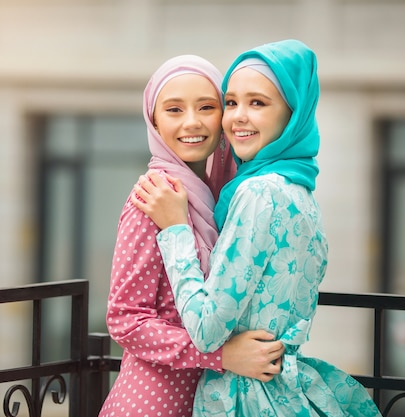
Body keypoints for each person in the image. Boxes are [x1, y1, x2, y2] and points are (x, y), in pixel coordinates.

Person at [132, 40, 383, 416]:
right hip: (285, 387)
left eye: (258, 103)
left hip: (245, 397)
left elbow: (206, 329)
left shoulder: (258, 194)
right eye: (231, 102)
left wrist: (175, 229)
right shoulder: (298, 189)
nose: (237, 118)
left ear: (292, 114)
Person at [99, 54, 285, 417]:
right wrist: (222, 355)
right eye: (173, 110)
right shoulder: (153, 198)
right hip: (156, 402)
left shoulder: (222, 194)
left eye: (206, 107)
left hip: (212, 397)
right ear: (153, 121)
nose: (192, 122)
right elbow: (125, 319)